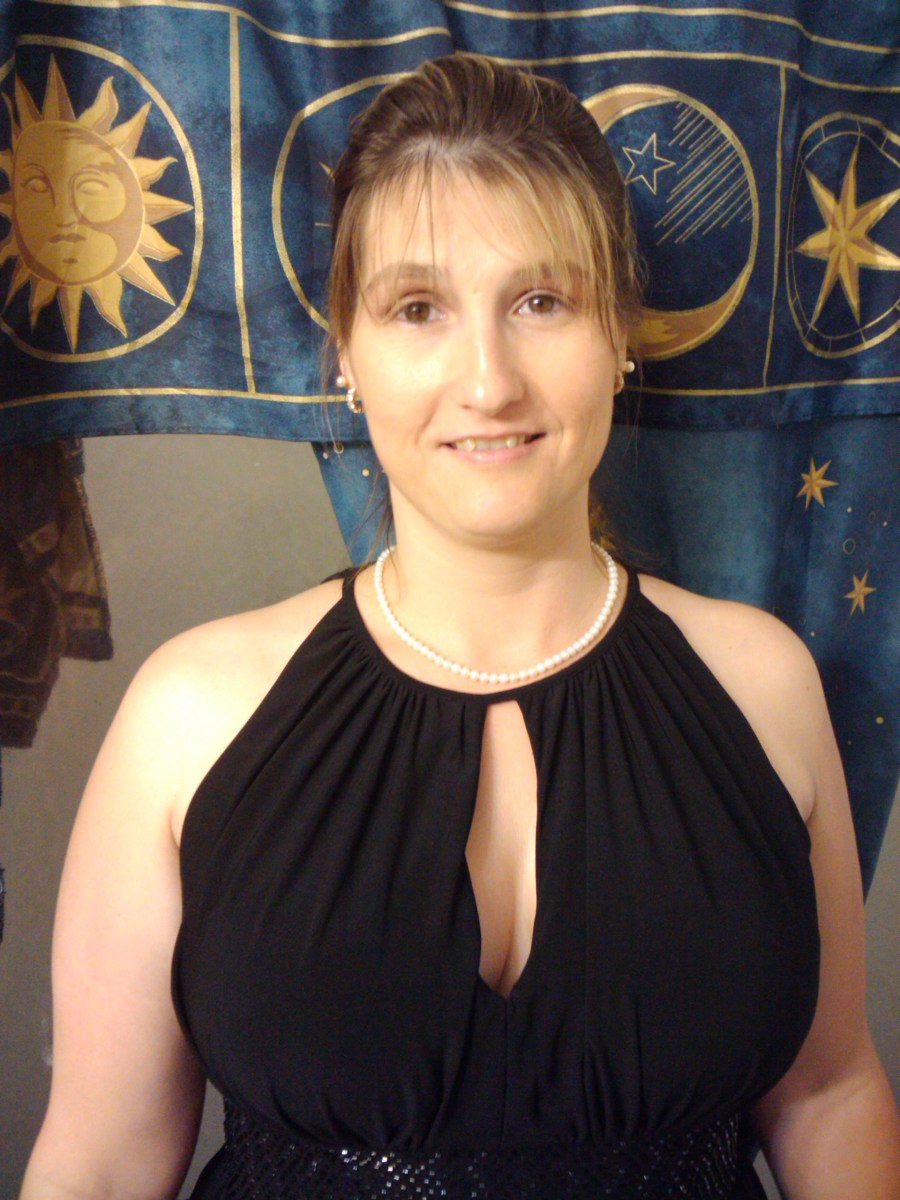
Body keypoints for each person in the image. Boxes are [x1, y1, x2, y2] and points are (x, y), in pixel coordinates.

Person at [20, 53, 900, 1200]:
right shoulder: (189, 717)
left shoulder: (762, 684)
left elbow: (830, 1095)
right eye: (418, 309)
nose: (488, 382)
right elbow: (99, 1159)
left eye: (541, 302)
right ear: (346, 351)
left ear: (620, 333)